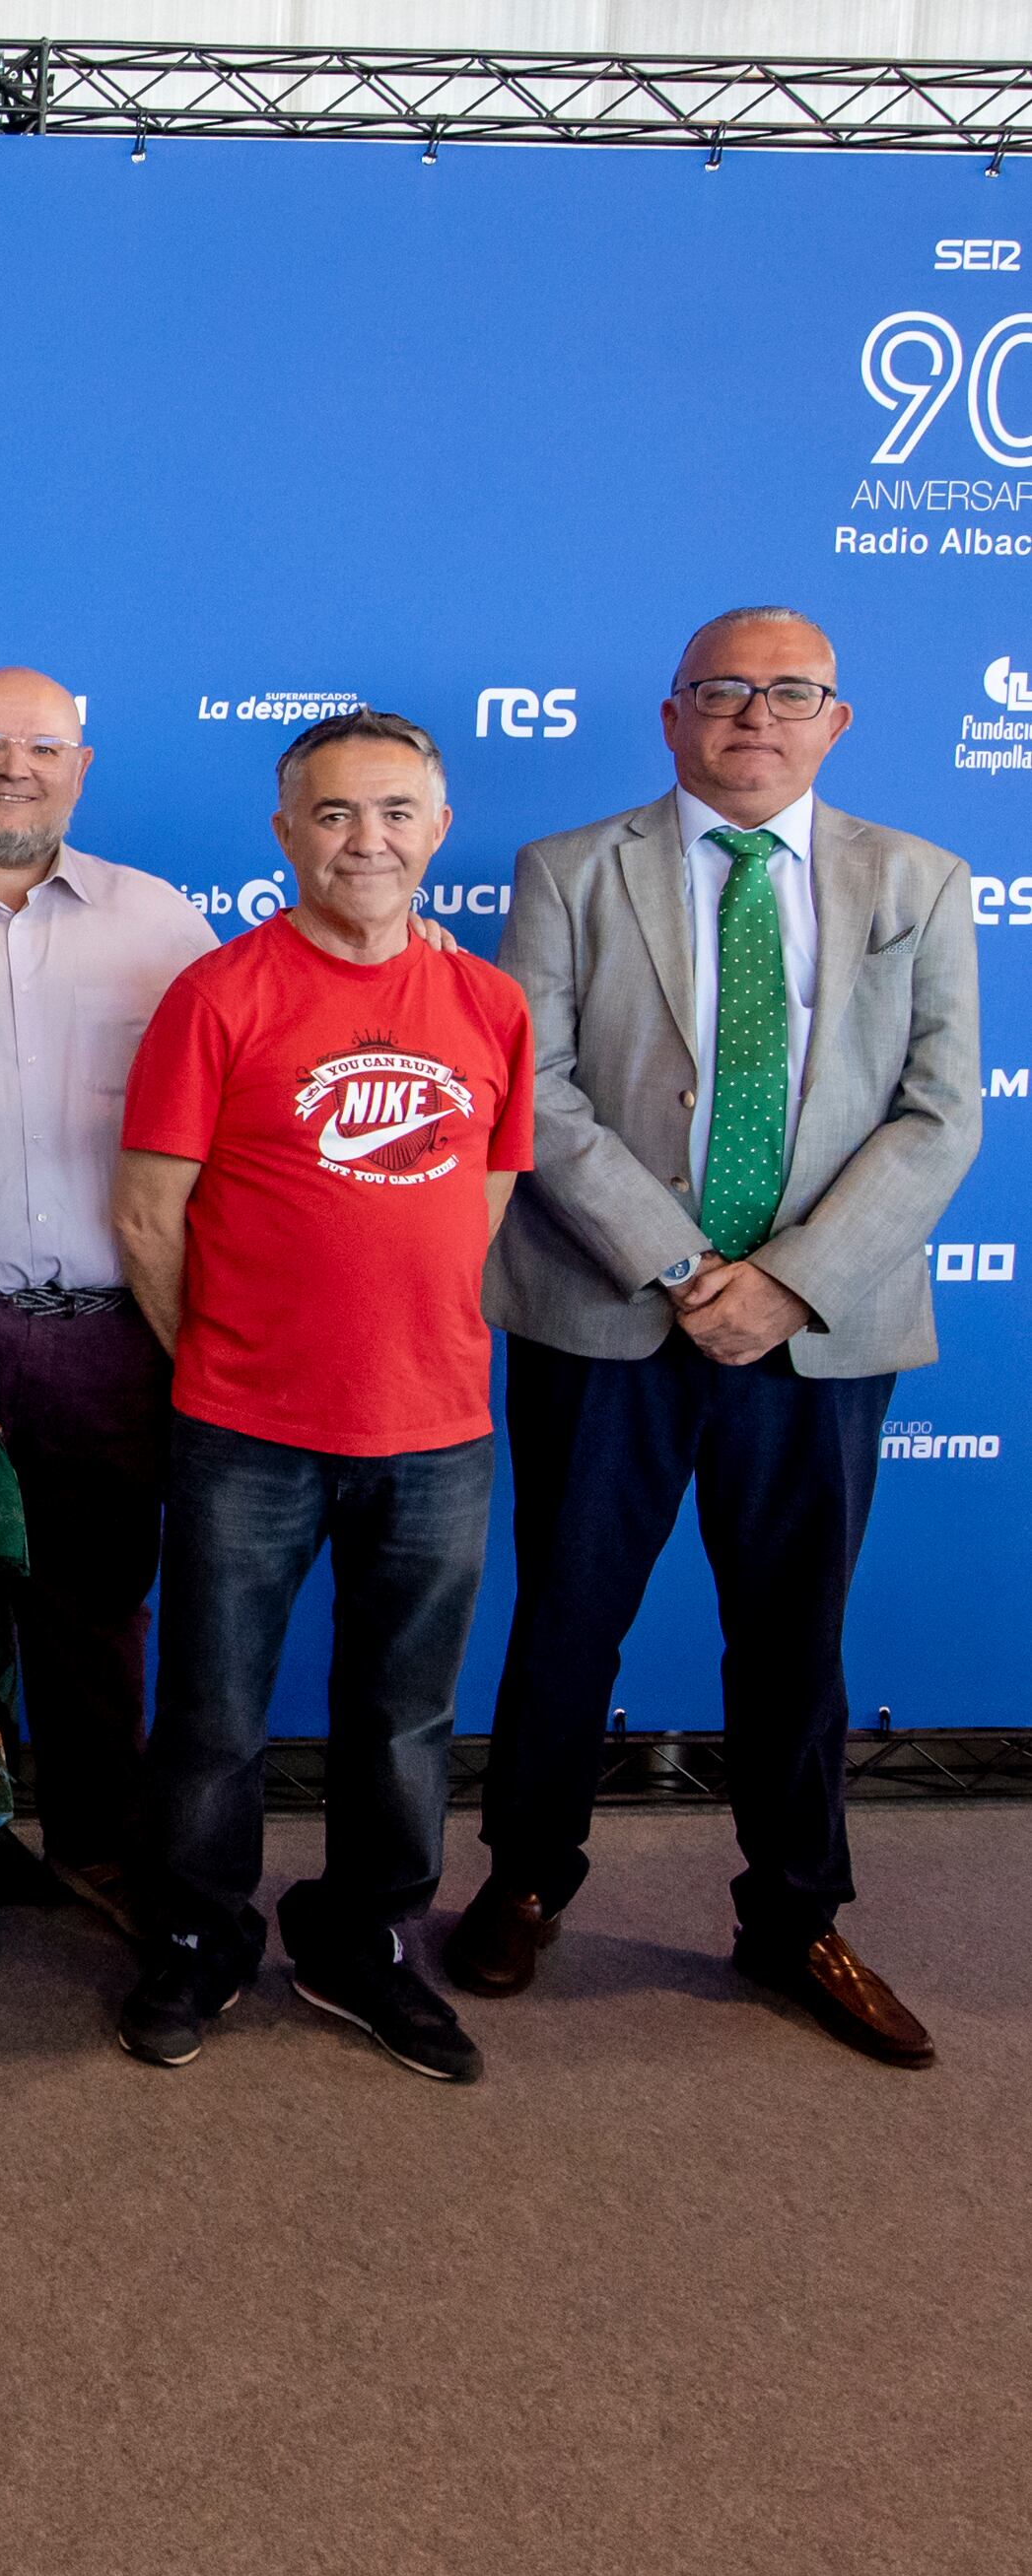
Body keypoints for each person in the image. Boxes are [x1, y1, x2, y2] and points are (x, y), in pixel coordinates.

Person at [453, 607, 983, 2067]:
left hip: (819, 1333)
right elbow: (535, 1090)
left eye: (789, 692)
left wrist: (789, 1283)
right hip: (608, 1311)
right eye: (722, 690)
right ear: (671, 716)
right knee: (566, 1619)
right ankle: (522, 1879)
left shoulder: (920, 879)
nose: (755, 715)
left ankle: (795, 1914)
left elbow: (940, 1115)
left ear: (835, 720)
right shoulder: (568, 869)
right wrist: (686, 1267)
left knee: (795, 1634)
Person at [108, 710, 532, 2082]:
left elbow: (487, 1196)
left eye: (395, 811)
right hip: (244, 1427)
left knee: (404, 1718)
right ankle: (195, 1934)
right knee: (212, 1716)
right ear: (284, 832)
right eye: (334, 813)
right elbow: (147, 1213)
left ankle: (363, 1940)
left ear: (437, 828)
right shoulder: (217, 994)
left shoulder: (490, 1004)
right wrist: (221, 1361)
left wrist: (406, 1335)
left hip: (438, 1430)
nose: (366, 839)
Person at [0, 668, 216, 1934]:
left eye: (41, 747)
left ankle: (93, 1839)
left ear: (80, 769)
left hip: (104, 1334)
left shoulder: (159, 923)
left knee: (95, 1606)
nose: (11, 768)